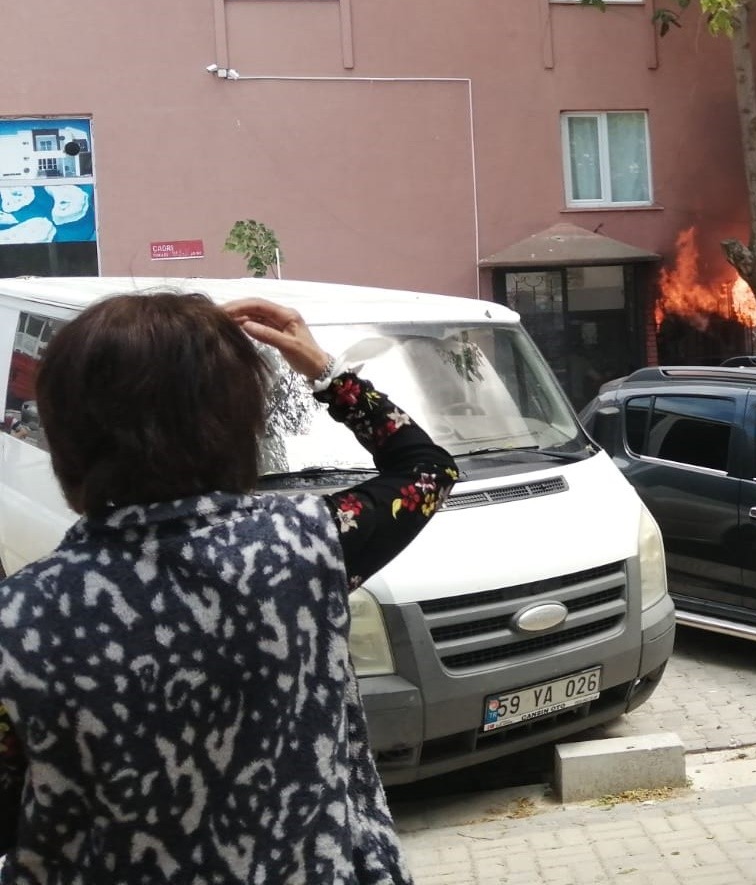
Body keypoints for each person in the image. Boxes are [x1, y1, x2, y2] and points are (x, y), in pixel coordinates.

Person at [0, 292, 458, 883]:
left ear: (63, 440)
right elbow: (427, 470)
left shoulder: (22, 618)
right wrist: (327, 372)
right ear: (239, 428)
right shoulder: (305, 545)